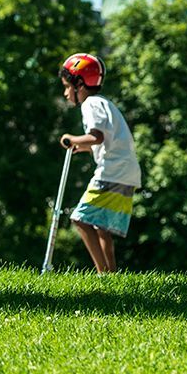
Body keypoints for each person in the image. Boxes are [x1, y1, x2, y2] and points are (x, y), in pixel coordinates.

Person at [58, 52, 143, 274]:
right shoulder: (105, 103)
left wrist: (71, 139)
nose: (65, 93)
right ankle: (111, 275)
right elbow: (106, 141)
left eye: (67, 87)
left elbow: (96, 137)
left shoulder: (90, 104)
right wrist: (82, 147)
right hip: (127, 172)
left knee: (79, 219)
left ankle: (102, 274)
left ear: (79, 84)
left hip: (112, 171)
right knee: (101, 226)